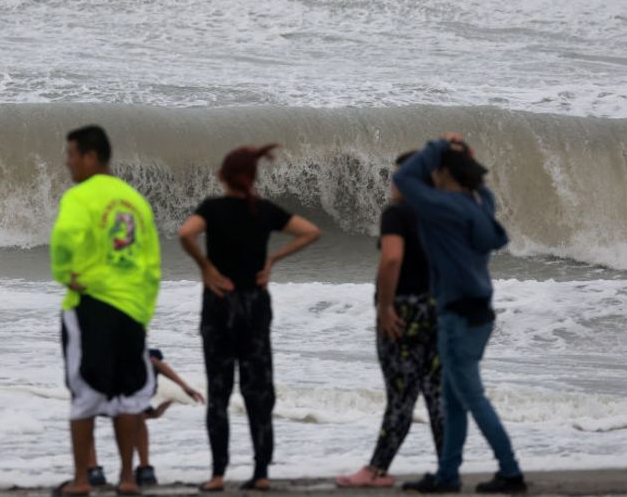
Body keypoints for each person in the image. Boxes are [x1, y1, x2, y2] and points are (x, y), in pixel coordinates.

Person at [178, 144, 321, 492]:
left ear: (222, 177)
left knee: (219, 391)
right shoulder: (265, 211)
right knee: (258, 391)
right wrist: (273, 260)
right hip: (255, 306)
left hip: (219, 306)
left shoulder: (212, 209)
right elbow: (311, 231)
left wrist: (206, 267)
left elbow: (185, 233)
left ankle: (217, 474)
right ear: (253, 178)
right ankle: (260, 473)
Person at [393, 134, 526, 494]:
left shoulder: (443, 207)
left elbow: (403, 179)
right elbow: (475, 182)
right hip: (478, 313)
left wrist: (437, 146)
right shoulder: (481, 202)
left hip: (457, 317)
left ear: (443, 172)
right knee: (453, 401)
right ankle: (447, 475)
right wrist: (458, 152)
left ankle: (511, 472)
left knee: (471, 398)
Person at [50, 125, 162, 496]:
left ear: (91, 156)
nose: (68, 164)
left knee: (85, 390)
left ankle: (82, 479)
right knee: (129, 393)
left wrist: (65, 274)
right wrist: (142, 310)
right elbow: (152, 261)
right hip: (131, 308)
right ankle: (128, 479)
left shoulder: (81, 196)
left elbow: (65, 235)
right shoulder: (135, 200)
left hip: (92, 303)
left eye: (72, 155)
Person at [336, 151, 443, 488]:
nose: (391, 181)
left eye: (397, 175)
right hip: (437, 309)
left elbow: (392, 259)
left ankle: (375, 470)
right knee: (435, 394)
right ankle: (448, 468)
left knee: (401, 395)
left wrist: (385, 308)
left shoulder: (397, 214)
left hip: (404, 312)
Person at [87, 348, 206, 488]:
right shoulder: (143, 370)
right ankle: (144, 471)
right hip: (121, 382)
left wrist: (157, 412)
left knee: (86, 418)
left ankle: (94, 471)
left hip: (108, 384)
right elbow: (154, 361)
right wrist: (184, 386)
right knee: (135, 418)